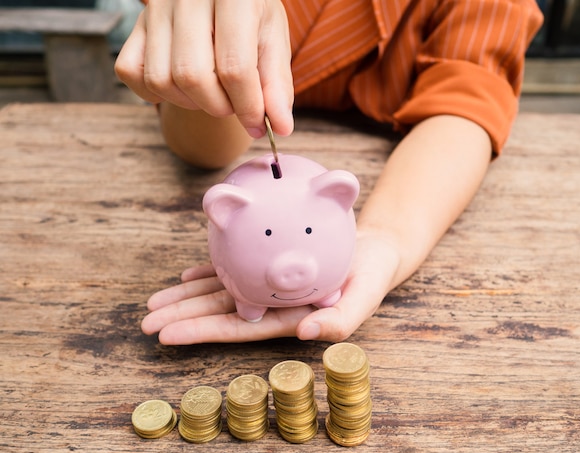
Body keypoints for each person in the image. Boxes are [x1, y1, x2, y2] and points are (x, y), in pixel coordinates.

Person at [115, 0, 543, 345]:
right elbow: (202, 148)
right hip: (225, 134)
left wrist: (387, 239)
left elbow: (466, 105)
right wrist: (210, 54)